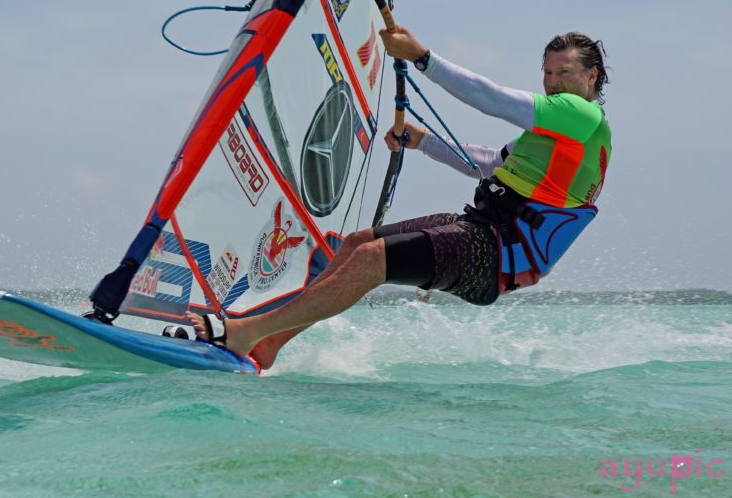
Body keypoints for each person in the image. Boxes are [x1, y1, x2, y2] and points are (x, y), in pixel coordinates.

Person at [189, 25, 612, 369]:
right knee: (356, 244)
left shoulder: (584, 116)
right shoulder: (556, 136)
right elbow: (483, 162)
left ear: (590, 77)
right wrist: (422, 140)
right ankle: (270, 344)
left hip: (499, 253)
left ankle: (246, 332)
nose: (553, 83)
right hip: (483, 229)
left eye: (565, 74)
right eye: (548, 73)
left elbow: (492, 99)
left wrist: (422, 58)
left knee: (373, 259)